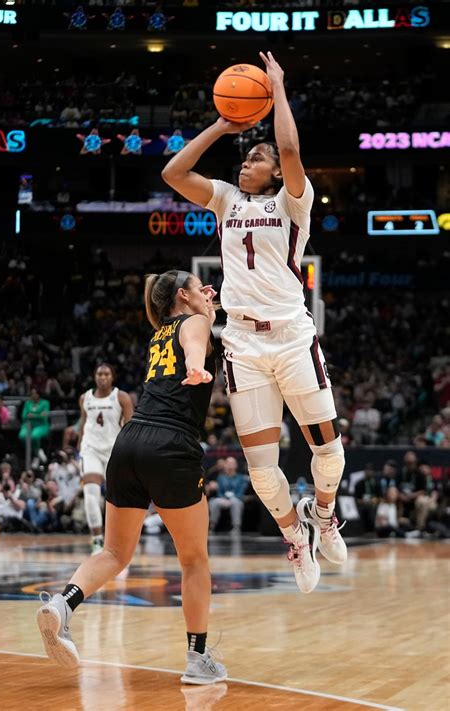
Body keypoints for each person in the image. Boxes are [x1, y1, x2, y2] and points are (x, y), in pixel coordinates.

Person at [161, 51, 346, 594]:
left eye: (257, 156)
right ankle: (295, 537)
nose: (250, 159)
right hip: (241, 341)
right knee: (262, 470)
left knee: (327, 452)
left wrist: (279, 90)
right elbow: (173, 173)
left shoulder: (295, 203)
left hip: (292, 337)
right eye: (249, 155)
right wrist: (223, 123)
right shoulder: (225, 199)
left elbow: (289, 146)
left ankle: (326, 514)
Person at [37, 270, 227, 685]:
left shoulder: (158, 334)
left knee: (114, 553)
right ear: (182, 296)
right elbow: (195, 345)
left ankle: (62, 606)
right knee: (194, 559)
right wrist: (197, 367)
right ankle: (197, 660)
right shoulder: (195, 324)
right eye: (201, 287)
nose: (208, 293)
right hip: (171, 444)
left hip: (129, 443)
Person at [78, 364, 133, 554]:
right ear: (94, 376)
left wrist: (129, 453)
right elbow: (83, 424)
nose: (102, 377)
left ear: (112, 377)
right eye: (99, 374)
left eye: (106, 374)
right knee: (91, 496)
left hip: (113, 451)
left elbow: (130, 427)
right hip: (90, 449)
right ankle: (96, 540)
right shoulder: (85, 398)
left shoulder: (121, 397)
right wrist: (79, 447)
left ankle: (116, 539)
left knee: (116, 498)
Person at [18, 388, 50, 460]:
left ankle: (36, 456)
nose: (32, 395)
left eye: (34, 393)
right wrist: (38, 415)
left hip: (41, 425)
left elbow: (44, 417)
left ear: (38, 395)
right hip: (28, 425)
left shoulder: (45, 403)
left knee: (34, 436)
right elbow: (24, 416)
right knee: (22, 436)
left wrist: (33, 415)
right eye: (31, 393)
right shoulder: (27, 403)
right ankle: (36, 452)